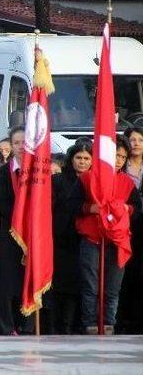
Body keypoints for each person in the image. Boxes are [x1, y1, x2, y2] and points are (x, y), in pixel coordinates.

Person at [70, 135, 142, 335]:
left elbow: (137, 208)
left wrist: (125, 209)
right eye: (115, 155)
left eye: (122, 156)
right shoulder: (88, 178)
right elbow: (72, 205)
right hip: (92, 238)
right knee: (90, 285)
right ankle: (90, 323)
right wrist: (89, 207)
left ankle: (109, 323)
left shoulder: (127, 183)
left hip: (117, 240)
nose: (118, 160)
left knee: (112, 288)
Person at [0, 126, 34, 335]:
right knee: (8, 281)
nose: (20, 147)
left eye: (24, 142)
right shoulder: (3, 172)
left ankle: (27, 325)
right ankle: (6, 326)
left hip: (32, 234)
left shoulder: (38, 170)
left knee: (30, 279)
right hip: (10, 233)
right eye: (16, 143)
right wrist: (20, 212)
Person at [51, 142, 91, 334]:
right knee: (61, 287)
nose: (82, 162)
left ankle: (75, 326)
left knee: (81, 287)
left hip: (85, 240)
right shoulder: (58, 180)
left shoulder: (95, 180)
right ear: (71, 159)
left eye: (86, 159)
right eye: (78, 158)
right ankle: (58, 327)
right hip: (61, 240)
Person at [120, 126, 143, 333]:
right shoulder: (120, 168)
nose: (136, 143)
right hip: (123, 227)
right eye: (132, 140)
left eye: (140, 140)